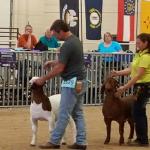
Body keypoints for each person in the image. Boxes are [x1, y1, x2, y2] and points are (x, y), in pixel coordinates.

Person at [34, 20, 87, 149]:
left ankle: (54, 141)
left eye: (56, 34)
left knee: (63, 113)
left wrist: (43, 79)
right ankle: (81, 142)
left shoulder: (67, 45)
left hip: (71, 83)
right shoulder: (75, 41)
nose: (55, 37)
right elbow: (67, 59)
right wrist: (53, 62)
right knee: (78, 113)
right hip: (81, 81)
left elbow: (60, 68)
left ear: (61, 31)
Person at [111, 33, 150, 146]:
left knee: (137, 112)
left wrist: (124, 87)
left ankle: (142, 140)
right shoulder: (139, 54)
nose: (137, 45)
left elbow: (138, 75)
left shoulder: (146, 57)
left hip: (144, 86)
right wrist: (117, 73)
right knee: (139, 112)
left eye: (139, 43)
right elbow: (131, 70)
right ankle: (142, 138)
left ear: (146, 43)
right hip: (140, 87)